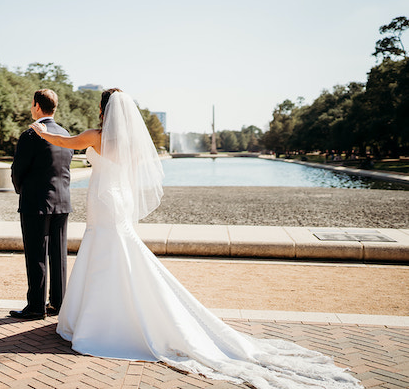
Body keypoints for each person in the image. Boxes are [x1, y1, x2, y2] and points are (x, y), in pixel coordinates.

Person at [29, 88, 362, 389]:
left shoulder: (95, 136)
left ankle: (99, 323)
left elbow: (65, 142)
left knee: (105, 249)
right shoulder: (128, 143)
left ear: (104, 110)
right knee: (119, 249)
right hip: (119, 199)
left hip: (103, 199)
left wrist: (41, 131)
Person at [10, 89, 74, 320]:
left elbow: (18, 169)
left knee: (36, 254)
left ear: (37, 106)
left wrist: (21, 190)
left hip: (36, 202)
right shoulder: (65, 134)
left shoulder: (31, 134)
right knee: (58, 255)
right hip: (62, 202)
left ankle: (36, 307)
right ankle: (58, 303)